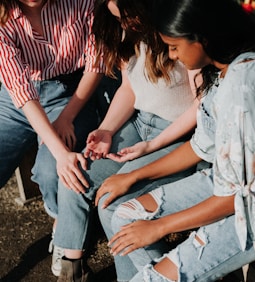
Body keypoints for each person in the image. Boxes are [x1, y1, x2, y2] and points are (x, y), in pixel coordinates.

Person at [104, 0, 255, 281]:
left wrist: (160, 227)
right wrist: (133, 176)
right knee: (125, 215)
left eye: (174, 47)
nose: (171, 56)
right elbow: (199, 146)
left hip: (246, 213)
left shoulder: (242, 87)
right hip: (221, 183)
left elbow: (236, 197)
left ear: (203, 38)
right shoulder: (222, 72)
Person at [52, 0, 201, 280]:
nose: (126, 24)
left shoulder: (175, 32)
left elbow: (199, 108)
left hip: (176, 135)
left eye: (129, 16)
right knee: (74, 176)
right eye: (119, 18)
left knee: (113, 202)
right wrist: (107, 130)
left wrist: (152, 146)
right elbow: (129, 89)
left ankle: (152, 275)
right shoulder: (123, 30)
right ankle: (72, 272)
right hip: (138, 123)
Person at [0, 0, 104, 277]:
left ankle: (63, 224)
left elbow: (97, 61)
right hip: (17, 100)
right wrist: (59, 149)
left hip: (71, 94)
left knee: (51, 171)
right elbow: (19, 90)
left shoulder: (82, 2)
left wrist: (67, 117)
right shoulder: (3, 13)